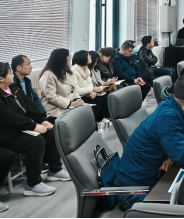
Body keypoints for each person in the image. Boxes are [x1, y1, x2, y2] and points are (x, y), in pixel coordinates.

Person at [115, 74, 184, 211]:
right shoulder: (168, 117)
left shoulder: (180, 108)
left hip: (154, 179)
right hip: (135, 193)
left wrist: (175, 154)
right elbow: (183, 156)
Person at [0, 63, 72, 197]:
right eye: (10, 73)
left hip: (22, 127)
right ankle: (33, 184)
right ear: (1, 78)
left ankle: (54, 170)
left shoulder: (14, 88)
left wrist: (42, 119)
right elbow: (9, 118)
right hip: (6, 133)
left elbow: (30, 105)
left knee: (50, 131)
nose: (12, 75)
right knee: (36, 141)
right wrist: (33, 126)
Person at [39, 48, 84, 119]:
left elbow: (73, 89)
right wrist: (70, 104)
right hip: (54, 108)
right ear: (61, 59)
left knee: (87, 112)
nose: (70, 58)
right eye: (68, 56)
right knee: (77, 118)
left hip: (69, 105)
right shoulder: (49, 75)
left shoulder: (67, 71)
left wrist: (78, 100)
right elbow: (51, 97)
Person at [71, 50, 109, 129]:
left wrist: (91, 91)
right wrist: (92, 90)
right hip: (78, 97)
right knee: (99, 100)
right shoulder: (73, 71)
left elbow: (89, 84)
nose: (90, 57)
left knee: (103, 97)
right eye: (88, 56)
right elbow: (77, 91)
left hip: (87, 93)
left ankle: (98, 120)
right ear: (83, 58)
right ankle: (92, 124)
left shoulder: (87, 69)